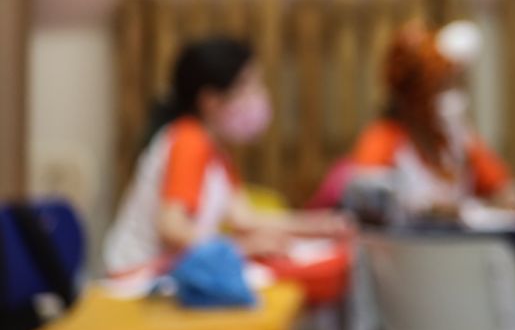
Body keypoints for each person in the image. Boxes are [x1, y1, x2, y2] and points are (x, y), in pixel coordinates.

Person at [104, 36, 347, 276]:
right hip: (137, 278)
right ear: (210, 100)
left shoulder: (215, 152)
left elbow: (244, 219)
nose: (258, 96)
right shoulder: (188, 140)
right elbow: (172, 227)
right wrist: (240, 247)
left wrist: (316, 226)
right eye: (248, 86)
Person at [344, 20, 515, 219]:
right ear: (412, 95)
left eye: (454, 84)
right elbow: (369, 205)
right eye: (441, 86)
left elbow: (510, 192)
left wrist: (502, 201)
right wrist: (426, 209)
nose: (451, 94)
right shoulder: (383, 139)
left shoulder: (458, 140)